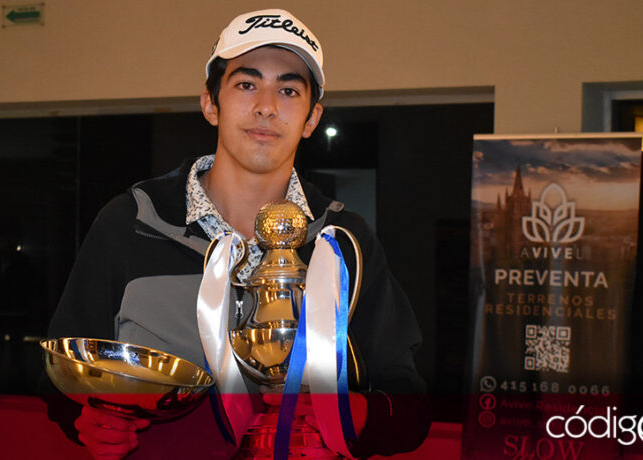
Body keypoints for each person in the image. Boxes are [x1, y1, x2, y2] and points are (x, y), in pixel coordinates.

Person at [41, 9, 430, 459]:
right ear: (211, 103)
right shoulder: (130, 223)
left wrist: (340, 416)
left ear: (310, 118)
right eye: (247, 84)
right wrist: (86, 420)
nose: (266, 106)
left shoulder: (343, 242)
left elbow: (409, 406)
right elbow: (57, 381)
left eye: (288, 90)